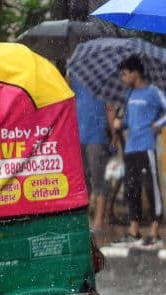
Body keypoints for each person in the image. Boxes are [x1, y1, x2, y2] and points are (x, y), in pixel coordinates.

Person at [111, 54, 166, 249]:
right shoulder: (129, 95)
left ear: (135, 73)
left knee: (151, 188)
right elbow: (128, 120)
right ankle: (134, 232)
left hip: (146, 147)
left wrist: (157, 125)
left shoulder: (153, 92)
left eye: (125, 74)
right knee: (132, 190)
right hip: (130, 149)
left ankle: (154, 232)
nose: (123, 78)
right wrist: (120, 124)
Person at [69, 75, 113, 233]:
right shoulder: (74, 80)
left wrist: (113, 134)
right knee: (86, 182)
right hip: (80, 136)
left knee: (96, 181)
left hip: (95, 136)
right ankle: (88, 219)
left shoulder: (104, 81)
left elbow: (109, 108)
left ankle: (98, 221)